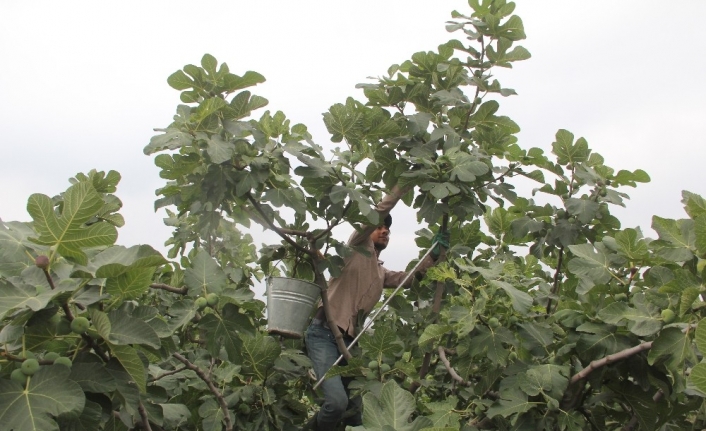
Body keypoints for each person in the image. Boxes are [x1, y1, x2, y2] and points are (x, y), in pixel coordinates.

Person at [304, 186, 448, 430]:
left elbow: (410, 278)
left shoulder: (380, 272)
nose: (385, 231)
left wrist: (433, 256)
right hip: (324, 334)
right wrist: (401, 188)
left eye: (388, 230)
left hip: (350, 342)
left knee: (357, 411)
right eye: (380, 227)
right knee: (337, 403)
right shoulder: (354, 247)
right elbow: (375, 213)